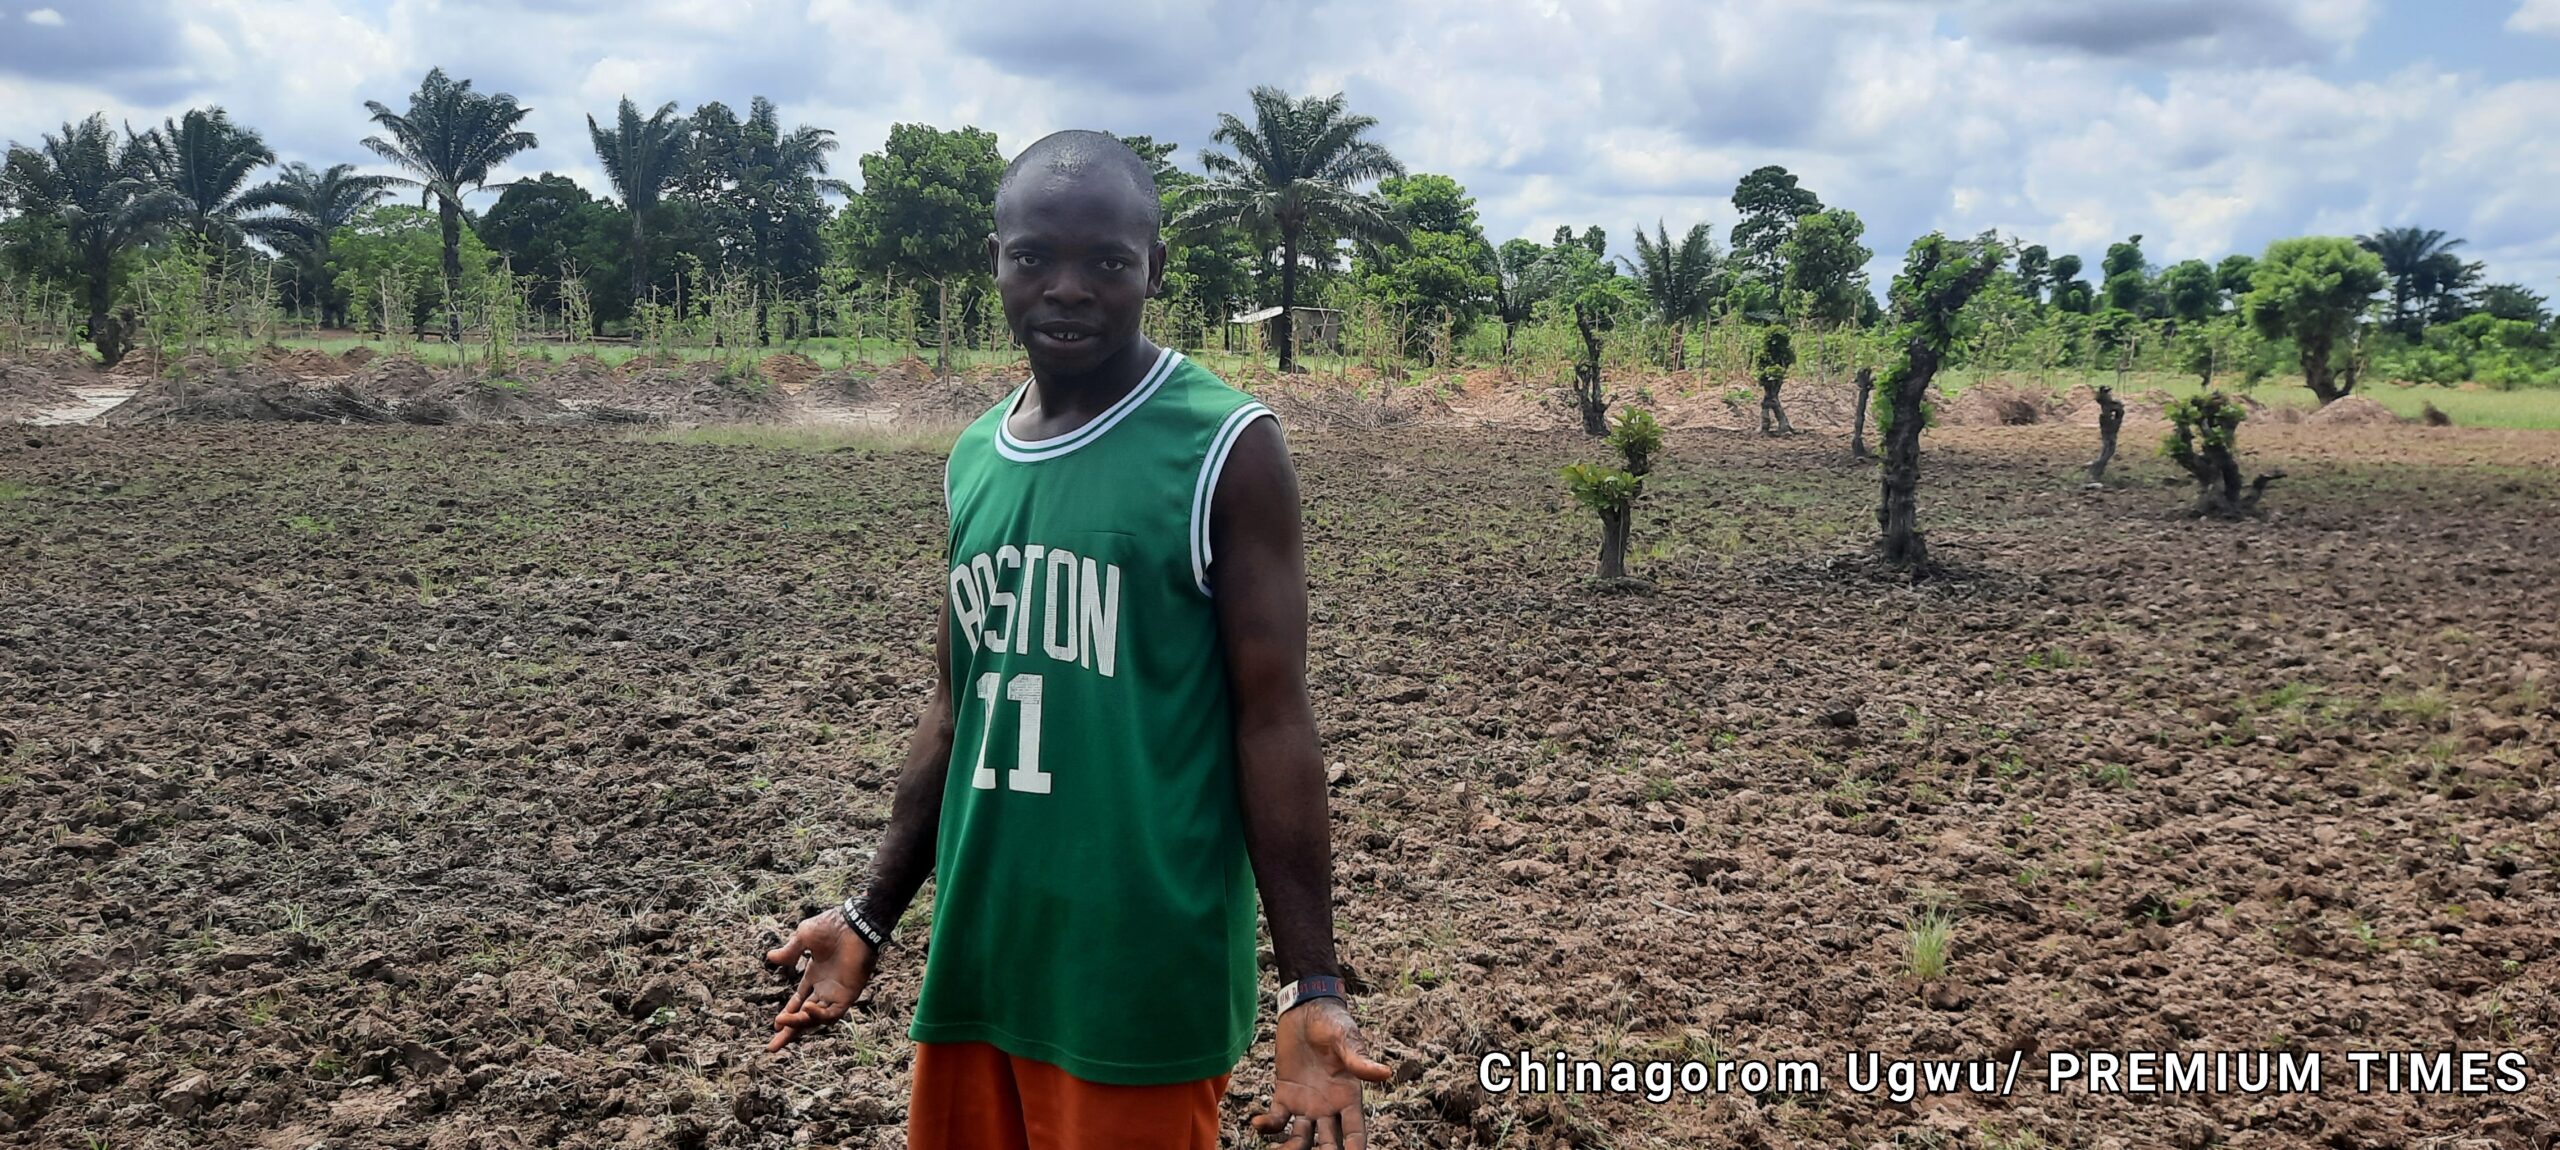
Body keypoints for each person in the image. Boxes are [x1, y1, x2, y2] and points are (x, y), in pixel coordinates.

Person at [759, 130, 1391, 1150]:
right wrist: (872, 912)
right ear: (995, 261)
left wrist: (1311, 983)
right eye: (1033, 257)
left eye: (1105, 262)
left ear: (1154, 267)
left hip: (1134, 980)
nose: (1067, 288)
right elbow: (958, 704)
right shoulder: (973, 456)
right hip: (982, 956)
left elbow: (1273, 720)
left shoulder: (1224, 448)